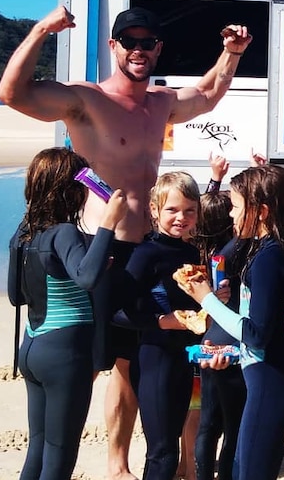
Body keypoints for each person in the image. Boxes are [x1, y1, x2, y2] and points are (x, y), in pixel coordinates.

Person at [0, 5, 252, 480]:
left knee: (156, 354)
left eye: (147, 42)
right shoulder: (85, 99)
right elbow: (13, 94)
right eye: (129, 41)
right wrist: (39, 30)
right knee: (109, 362)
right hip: (100, 250)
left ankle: (177, 459)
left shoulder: (160, 102)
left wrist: (230, 53)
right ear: (114, 46)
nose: (138, 49)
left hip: (151, 248)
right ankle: (115, 464)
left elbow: (209, 94)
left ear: (158, 49)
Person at [176, 164, 284, 479]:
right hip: (271, 376)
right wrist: (230, 354)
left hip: (272, 382)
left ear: (261, 212)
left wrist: (205, 298)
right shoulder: (268, 250)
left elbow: (257, 334)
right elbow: (269, 331)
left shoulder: (269, 258)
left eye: (236, 207)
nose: (231, 216)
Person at [15, 147, 128, 480]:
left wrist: (74, 271)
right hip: (65, 354)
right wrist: (109, 221)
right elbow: (88, 277)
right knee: (60, 456)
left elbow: (15, 294)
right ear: (72, 191)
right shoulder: (64, 232)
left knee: (37, 449)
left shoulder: (24, 233)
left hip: (32, 346)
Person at [116, 171, 204, 480]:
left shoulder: (191, 253)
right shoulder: (146, 254)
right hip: (154, 359)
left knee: (173, 450)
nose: (181, 218)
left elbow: (194, 307)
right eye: (172, 210)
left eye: (189, 210)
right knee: (162, 453)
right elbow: (116, 312)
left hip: (183, 359)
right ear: (154, 210)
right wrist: (163, 321)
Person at [193, 157, 248, 480]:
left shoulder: (198, 251)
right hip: (228, 343)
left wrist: (215, 180)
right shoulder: (232, 253)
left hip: (203, 343)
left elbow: (207, 208)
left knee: (206, 423)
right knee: (232, 425)